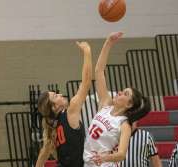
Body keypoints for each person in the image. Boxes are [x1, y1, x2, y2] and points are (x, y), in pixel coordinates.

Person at [83, 31, 151, 167]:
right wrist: (108, 43)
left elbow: (122, 154)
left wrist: (105, 158)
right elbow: (99, 71)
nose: (119, 92)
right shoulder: (105, 105)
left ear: (129, 104)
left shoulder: (124, 125)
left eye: (125, 93)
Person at [35, 41, 92, 167]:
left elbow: (42, 156)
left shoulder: (51, 129)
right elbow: (87, 82)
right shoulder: (70, 113)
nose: (60, 94)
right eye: (56, 96)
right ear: (55, 107)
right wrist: (87, 52)